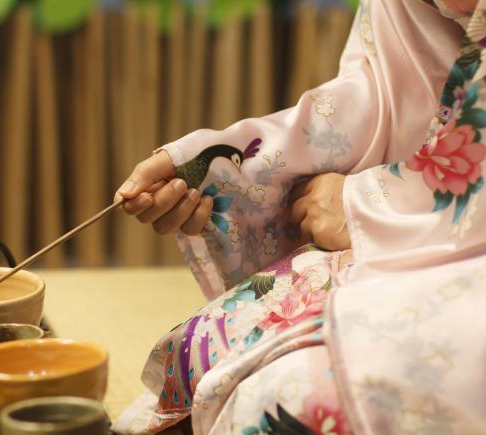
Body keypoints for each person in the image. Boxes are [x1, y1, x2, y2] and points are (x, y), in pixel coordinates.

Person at [112, 1, 486, 434]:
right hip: (428, 218)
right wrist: (224, 166)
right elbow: (389, 87)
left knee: (294, 400)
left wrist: (366, 204)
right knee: (201, 353)